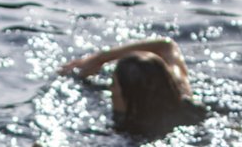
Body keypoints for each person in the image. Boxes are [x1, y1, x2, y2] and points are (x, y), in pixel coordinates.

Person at [59, 37, 207, 138]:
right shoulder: (182, 93)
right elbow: (166, 45)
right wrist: (101, 58)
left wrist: (99, 59)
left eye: (114, 84)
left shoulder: (124, 129)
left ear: (124, 94)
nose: (110, 88)